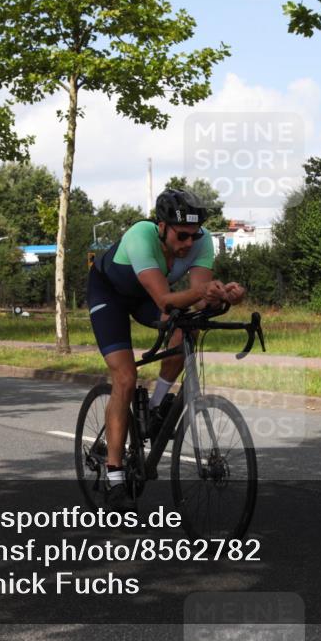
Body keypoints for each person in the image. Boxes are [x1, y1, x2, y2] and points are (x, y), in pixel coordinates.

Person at [87, 188, 246, 513]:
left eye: (194, 234)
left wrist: (223, 297)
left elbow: (199, 301)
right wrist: (203, 292)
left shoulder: (201, 242)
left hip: (146, 297)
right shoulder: (141, 236)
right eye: (181, 235)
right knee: (125, 378)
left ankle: (157, 407)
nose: (188, 242)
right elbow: (164, 300)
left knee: (187, 328)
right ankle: (115, 476)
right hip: (109, 295)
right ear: (161, 227)